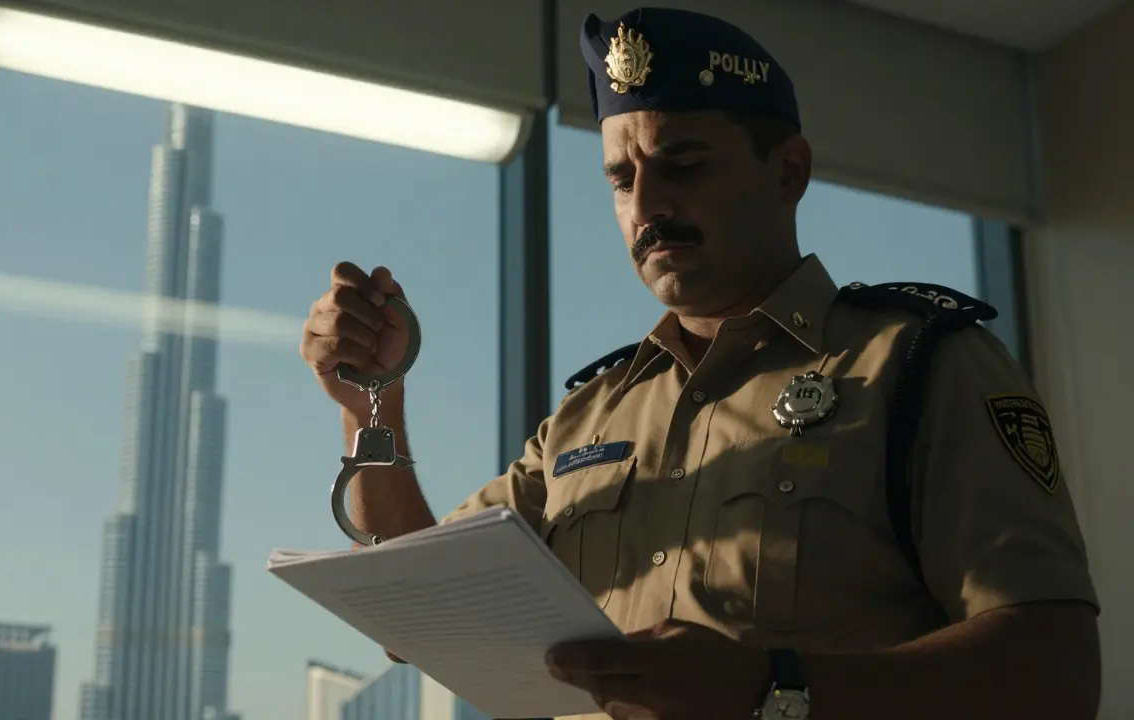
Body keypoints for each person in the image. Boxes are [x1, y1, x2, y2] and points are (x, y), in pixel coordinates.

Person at [298, 6, 1100, 720]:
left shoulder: (920, 366)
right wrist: (370, 402)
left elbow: (1053, 672)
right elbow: (424, 609)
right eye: (622, 178)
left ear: (788, 171)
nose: (647, 206)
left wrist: (774, 690)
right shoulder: (588, 416)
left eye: (682, 166)